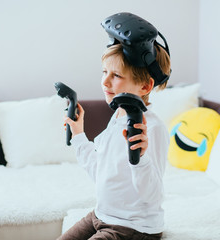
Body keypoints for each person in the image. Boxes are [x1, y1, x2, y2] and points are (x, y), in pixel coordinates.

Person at [58, 41, 171, 240]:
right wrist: (78, 136)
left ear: (145, 86)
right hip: (101, 215)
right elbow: (102, 173)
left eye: (116, 75)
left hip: (132, 228)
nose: (105, 81)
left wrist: (141, 158)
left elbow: (152, 196)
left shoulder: (153, 129)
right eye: (104, 72)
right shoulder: (118, 115)